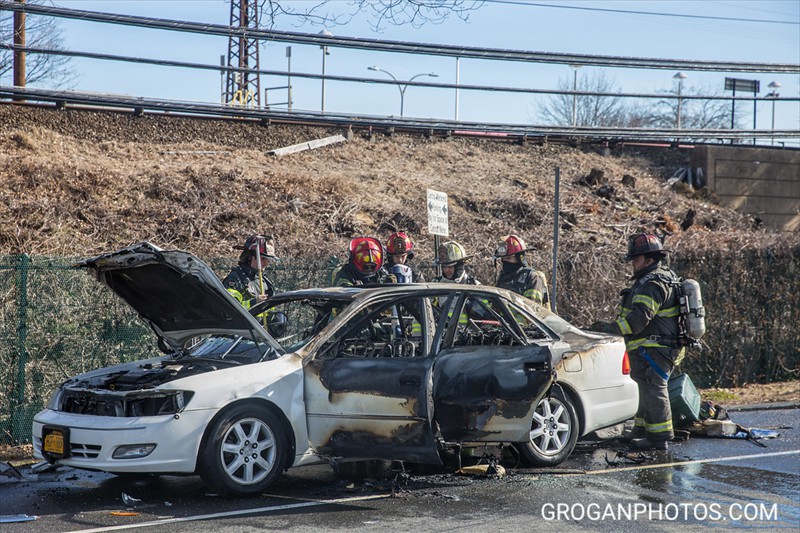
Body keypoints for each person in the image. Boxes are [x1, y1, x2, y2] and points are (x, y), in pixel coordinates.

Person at [590, 233, 684, 452]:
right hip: (649, 348)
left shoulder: (653, 283)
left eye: (636, 259)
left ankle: (659, 438)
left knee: (654, 388)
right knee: (642, 388)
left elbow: (638, 321)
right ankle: (641, 430)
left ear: (649, 260)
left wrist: (610, 330)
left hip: (656, 348)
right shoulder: (653, 279)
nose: (632, 263)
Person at [493, 234, 550, 310]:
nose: (504, 261)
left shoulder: (532, 278)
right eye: (503, 259)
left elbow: (532, 310)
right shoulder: (503, 277)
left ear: (520, 257)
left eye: (508, 258)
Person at [223, 234, 277, 309]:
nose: (266, 263)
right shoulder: (236, 278)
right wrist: (254, 302)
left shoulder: (265, 282)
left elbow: (271, 310)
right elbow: (230, 307)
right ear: (251, 257)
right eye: (263, 259)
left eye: (268, 260)